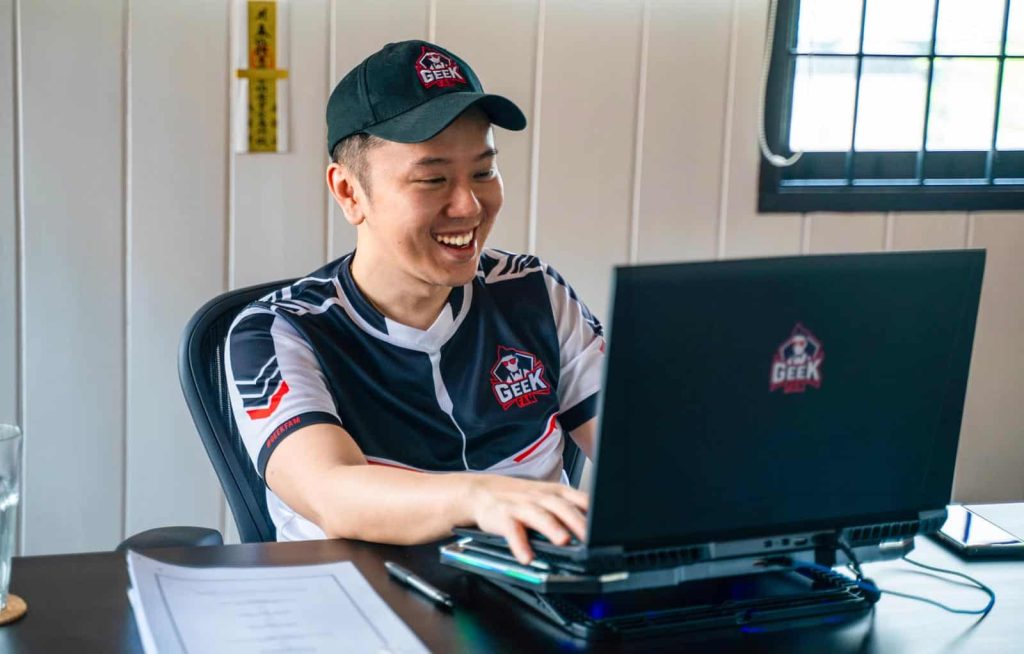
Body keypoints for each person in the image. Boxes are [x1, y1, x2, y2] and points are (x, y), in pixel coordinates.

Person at [225, 40, 604, 564]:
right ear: (349, 193)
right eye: (432, 179)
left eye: (483, 172)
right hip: (356, 613)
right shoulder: (276, 331)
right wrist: (479, 497)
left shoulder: (534, 291)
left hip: (530, 601)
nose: (469, 205)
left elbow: (643, 456)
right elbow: (331, 492)